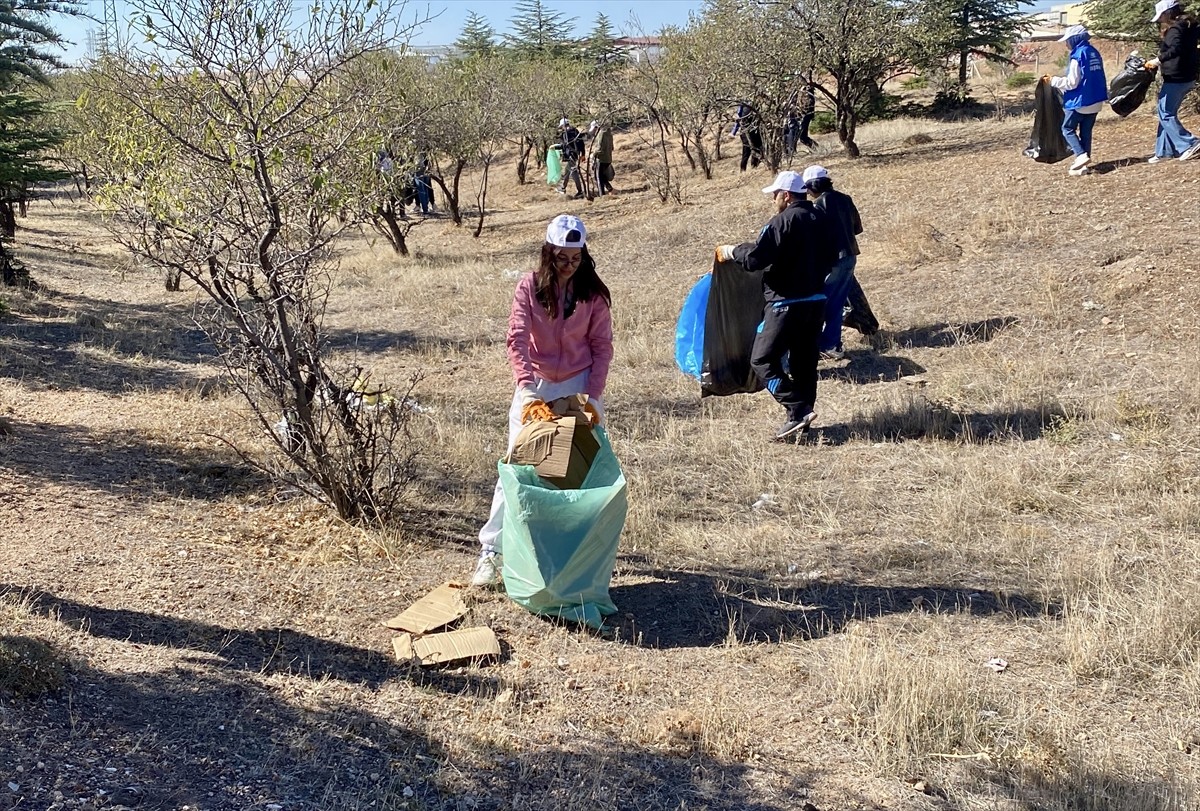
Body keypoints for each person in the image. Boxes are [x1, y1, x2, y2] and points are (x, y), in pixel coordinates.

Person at [472, 214, 614, 587]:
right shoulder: (528, 288)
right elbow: (516, 338)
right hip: (535, 385)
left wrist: (594, 397)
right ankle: (491, 554)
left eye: (576, 257)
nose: (570, 265)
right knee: (516, 467)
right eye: (562, 257)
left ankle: (563, 559)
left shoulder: (593, 296)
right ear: (548, 254)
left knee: (574, 473)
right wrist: (528, 389)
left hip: (577, 388)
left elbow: (601, 347)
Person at [714, 171, 837, 442]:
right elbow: (833, 257)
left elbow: (757, 258)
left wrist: (733, 251)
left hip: (785, 305)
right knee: (804, 364)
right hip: (816, 303)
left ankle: (797, 408)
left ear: (786, 195)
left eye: (775, 195)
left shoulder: (782, 222)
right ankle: (802, 422)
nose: (773, 200)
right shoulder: (822, 220)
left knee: (762, 359)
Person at [803, 165, 863, 360]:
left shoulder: (818, 205)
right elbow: (856, 227)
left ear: (813, 186)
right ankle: (831, 344)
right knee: (836, 302)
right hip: (850, 256)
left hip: (832, 261)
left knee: (824, 303)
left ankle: (825, 344)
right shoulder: (845, 199)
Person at [1045, 25, 1107, 176]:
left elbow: (1072, 82)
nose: (1066, 44)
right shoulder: (1093, 52)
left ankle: (1080, 155)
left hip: (1080, 101)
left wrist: (1053, 81)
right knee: (1086, 133)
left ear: (1074, 39)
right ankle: (1083, 166)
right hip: (1096, 100)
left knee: (1067, 129)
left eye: (1067, 41)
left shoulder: (1078, 56)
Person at [1145, 0, 1200, 163]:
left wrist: (1158, 60)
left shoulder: (1177, 28)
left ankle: (1190, 143)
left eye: (1161, 16)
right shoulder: (1191, 26)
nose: (1160, 20)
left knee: (1165, 113)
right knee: (1165, 113)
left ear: (1168, 13)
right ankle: (1164, 151)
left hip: (1176, 77)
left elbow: (1175, 49)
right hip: (1187, 76)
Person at [555, 118, 585, 198]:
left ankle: (580, 191)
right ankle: (563, 188)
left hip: (571, 156)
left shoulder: (565, 133)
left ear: (563, 125)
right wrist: (583, 154)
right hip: (576, 154)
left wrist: (555, 147)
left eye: (561, 126)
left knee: (573, 173)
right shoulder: (575, 131)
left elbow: (565, 145)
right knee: (567, 172)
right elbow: (581, 143)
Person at [732, 104, 764, 172]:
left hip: (755, 131)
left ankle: (754, 168)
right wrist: (733, 132)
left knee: (758, 149)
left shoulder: (756, 104)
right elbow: (738, 120)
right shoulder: (742, 106)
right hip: (745, 132)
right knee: (746, 152)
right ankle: (743, 170)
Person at [589, 120, 615, 196]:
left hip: (601, 159)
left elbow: (600, 149)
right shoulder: (609, 134)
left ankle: (602, 195)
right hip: (608, 158)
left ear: (597, 127)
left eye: (594, 129)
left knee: (598, 177)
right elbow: (612, 147)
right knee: (602, 176)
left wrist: (593, 154)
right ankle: (609, 189)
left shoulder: (601, 134)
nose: (594, 131)